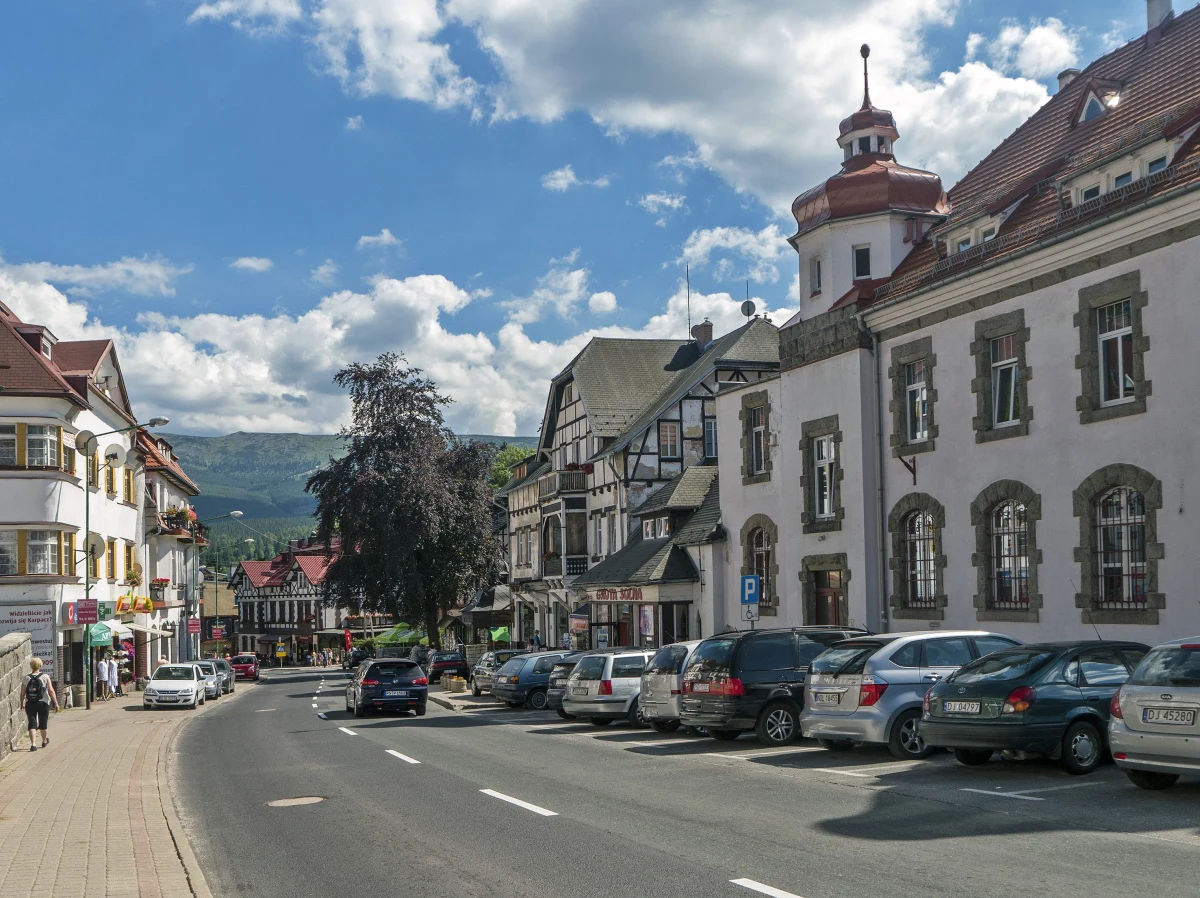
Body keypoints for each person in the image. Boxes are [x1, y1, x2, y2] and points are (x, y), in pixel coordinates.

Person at [21, 658, 58, 751]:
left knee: (32, 723)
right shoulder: (45, 676)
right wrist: (56, 703)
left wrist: (22, 703)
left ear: (31, 666)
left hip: (30, 703)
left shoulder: (26, 678)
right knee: (43, 723)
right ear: (40, 666)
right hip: (43, 702)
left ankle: (33, 745)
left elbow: (22, 693)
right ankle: (44, 740)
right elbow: (51, 691)